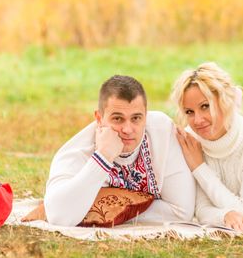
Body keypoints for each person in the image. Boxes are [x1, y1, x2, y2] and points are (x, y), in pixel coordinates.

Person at [44, 75, 195, 226]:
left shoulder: (162, 131)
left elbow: (182, 212)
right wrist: (103, 158)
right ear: (99, 118)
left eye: (136, 118)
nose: (128, 130)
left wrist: (113, 213)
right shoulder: (77, 151)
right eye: (117, 119)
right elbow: (58, 217)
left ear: (146, 115)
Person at [171, 62, 243, 232]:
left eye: (205, 106)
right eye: (189, 112)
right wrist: (224, 216)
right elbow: (201, 209)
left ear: (226, 101)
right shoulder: (190, 142)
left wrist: (199, 167)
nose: (197, 120)